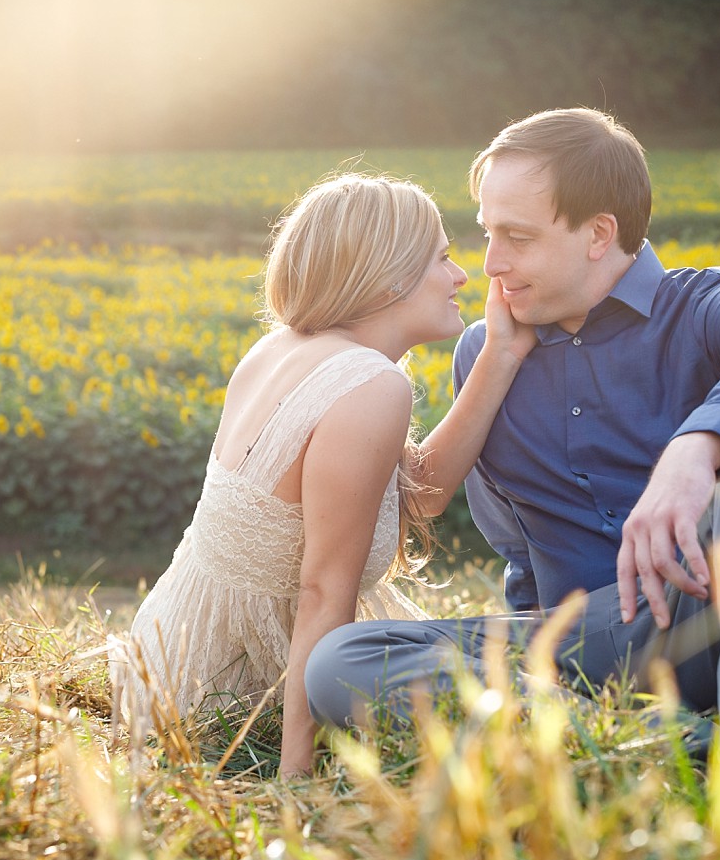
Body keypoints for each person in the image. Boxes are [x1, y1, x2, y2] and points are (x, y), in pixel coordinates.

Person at [303, 109, 720, 796]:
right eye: (487, 235)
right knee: (342, 662)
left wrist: (695, 451)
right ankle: (694, 757)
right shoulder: (486, 351)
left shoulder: (711, 305)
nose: (491, 263)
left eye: (517, 237)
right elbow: (510, 545)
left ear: (599, 234)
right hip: (577, 644)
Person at [112, 173, 535, 777]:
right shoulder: (368, 385)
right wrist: (295, 776)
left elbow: (422, 494)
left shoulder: (282, 348)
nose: (463, 276)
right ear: (389, 274)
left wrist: (501, 353)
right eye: (442, 257)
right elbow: (321, 594)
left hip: (164, 654)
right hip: (229, 690)